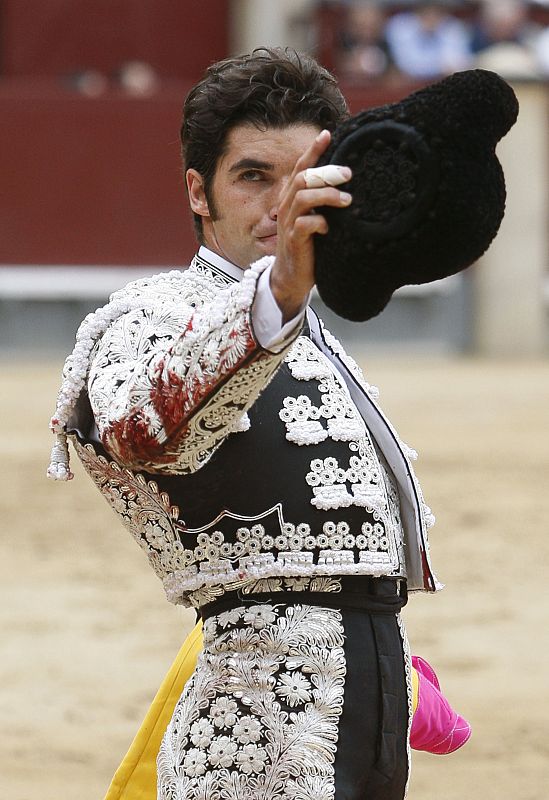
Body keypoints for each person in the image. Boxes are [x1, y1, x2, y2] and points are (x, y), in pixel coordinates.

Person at [49, 48, 468, 800]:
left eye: (300, 177)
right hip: (253, 735)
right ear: (198, 193)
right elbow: (147, 430)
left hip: (363, 720)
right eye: (252, 176)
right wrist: (277, 291)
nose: (281, 203)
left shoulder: (311, 335)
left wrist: (390, 665)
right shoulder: (149, 316)